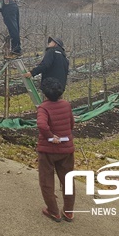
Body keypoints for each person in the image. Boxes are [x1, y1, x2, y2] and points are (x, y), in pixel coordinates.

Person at [36, 77, 75, 223]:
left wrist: (51, 137)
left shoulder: (43, 107)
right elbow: (71, 124)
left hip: (48, 151)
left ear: (44, 93)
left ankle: (53, 211)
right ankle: (68, 212)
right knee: (67, 180)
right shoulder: (66, 105)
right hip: (66, 150)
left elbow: (41, 124)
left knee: (46, 180)